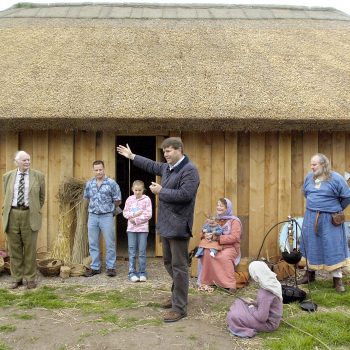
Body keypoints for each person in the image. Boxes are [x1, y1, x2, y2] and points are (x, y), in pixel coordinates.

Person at [117, 137, 200, 323]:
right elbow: (152, 166)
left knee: (179, 268)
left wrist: (161, 191)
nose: (165, 155)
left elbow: (186, 195)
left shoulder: (190, 170)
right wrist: (132, 156)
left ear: (179, 150)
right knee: (169, 264)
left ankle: (179, 307)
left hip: (179, 226)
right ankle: (178, 294)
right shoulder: (167, 168)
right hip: (166, 225)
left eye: (168, 151)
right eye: (164, 152)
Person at [298, 153, 350, 292]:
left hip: (329, 219)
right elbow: (306, 193)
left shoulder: (336, 178)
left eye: (314, 164)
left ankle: (337, 280)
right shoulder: (309, 177)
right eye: (311, 164)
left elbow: (346, 196)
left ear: (323, 165)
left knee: (333, 247)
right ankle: (309, 275)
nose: (312, 167)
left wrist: (335, 209)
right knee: (310, 245)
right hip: (311, 216)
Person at [2, 151, 45, 289]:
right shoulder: (7, 176)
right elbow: (7, 195)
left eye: (28, 160)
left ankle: (30, 278)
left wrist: (34, 208)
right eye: (24, 160)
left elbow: (41, 197)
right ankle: (16, 278)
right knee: (14, 249)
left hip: (29, 215)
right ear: (17, 162)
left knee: (30, 249)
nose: (27, 162)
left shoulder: (38, 176)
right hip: (12, 214)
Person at [83, 160, 121, 277]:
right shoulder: (89, 184)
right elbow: (87, 198)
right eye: (96, 170)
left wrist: (108, 209)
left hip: (106, 216)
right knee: (93, 242)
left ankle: (111, 267)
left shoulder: (112, 183)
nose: (99, 172)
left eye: (100, 169)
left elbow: (118, 200)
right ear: (93, 170)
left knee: (110, 242)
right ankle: (95, 267)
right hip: (93, 216)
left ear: (104, 169)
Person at [227, 261, 283, 338]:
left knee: (233, 316)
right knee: (241, 301)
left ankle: (243, 328)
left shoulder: (265, 292)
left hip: (269, 324)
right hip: (271, 318)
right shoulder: (272, 282)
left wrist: (252, 307)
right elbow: (268, 304)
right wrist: (255, 303)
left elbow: (262, 318)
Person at [197, 198, 241, 293]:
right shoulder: (213, 219)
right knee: (206, 252)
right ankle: (207, 281)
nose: (219, 207)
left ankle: (229, 284)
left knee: (224, 257)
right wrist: (206, 235)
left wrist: (218, 238)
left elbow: (235, 237)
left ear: (227, 208)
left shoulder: (234, 221)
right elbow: (202, 232)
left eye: (221, 206)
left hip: (229, 247)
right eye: (218, 205)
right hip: (213, 246)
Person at [123, 180, 152, 282]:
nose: (138, 192)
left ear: (143, 190)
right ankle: (131, 272)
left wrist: (136, 220)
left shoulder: (147, 199)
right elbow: (125, 212)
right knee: (132, 251)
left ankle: (142, 272)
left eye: (140, 190)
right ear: (132, 189)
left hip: (143, 229)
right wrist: (135, 214)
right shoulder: (129, 199)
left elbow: (148, 214)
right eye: (136, 190)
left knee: (142, 251)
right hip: (131, 229)